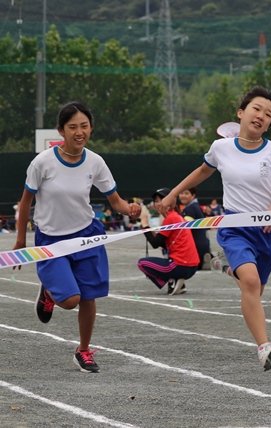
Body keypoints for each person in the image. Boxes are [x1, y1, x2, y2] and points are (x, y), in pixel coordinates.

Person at [159, 86, 271, 371]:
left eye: (268, 114)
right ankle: (265, 347)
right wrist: (173, 193)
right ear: (241, 113)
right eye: (256, 109)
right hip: (234, 226)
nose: (261, 116)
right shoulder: (220, 148)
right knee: (250, 283)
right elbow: (202, 171)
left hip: (266, 232)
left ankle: (227, 267)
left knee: (255, 289)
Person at [13, 101, 141, 373]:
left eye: (84, 126)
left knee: (87, 296)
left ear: (91, 128)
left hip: (87, 236)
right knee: (69, 301)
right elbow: (25, 203)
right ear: (61, 130)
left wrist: (130, 209)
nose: (79, 132)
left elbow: (115, 201)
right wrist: (21, 240)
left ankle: (83, 351)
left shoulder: (96, 162)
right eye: (72, 127)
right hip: (52, 241)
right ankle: (49, 289)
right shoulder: (42, 162)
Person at [138, 188, 200, 295]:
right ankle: (177, 282)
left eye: (161, 200)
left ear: (171, 201)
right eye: (156, 201)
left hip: (180, 266)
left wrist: (144, 223)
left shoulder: (170, 218)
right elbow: (161, 242)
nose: (158, 204)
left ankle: (172, 281)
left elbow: (155, 243)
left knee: (142, 263)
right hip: (192, 266)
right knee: (164, 254)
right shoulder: (177, 216)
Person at [179, 187, 212, 270]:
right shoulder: (196, 206)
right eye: (181, 193)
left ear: (193, 196)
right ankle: (209, 257)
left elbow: (185, 228)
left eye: (186, 193)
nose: (183, 196)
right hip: (204, 243)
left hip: (196, 247)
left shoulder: (190, 209)